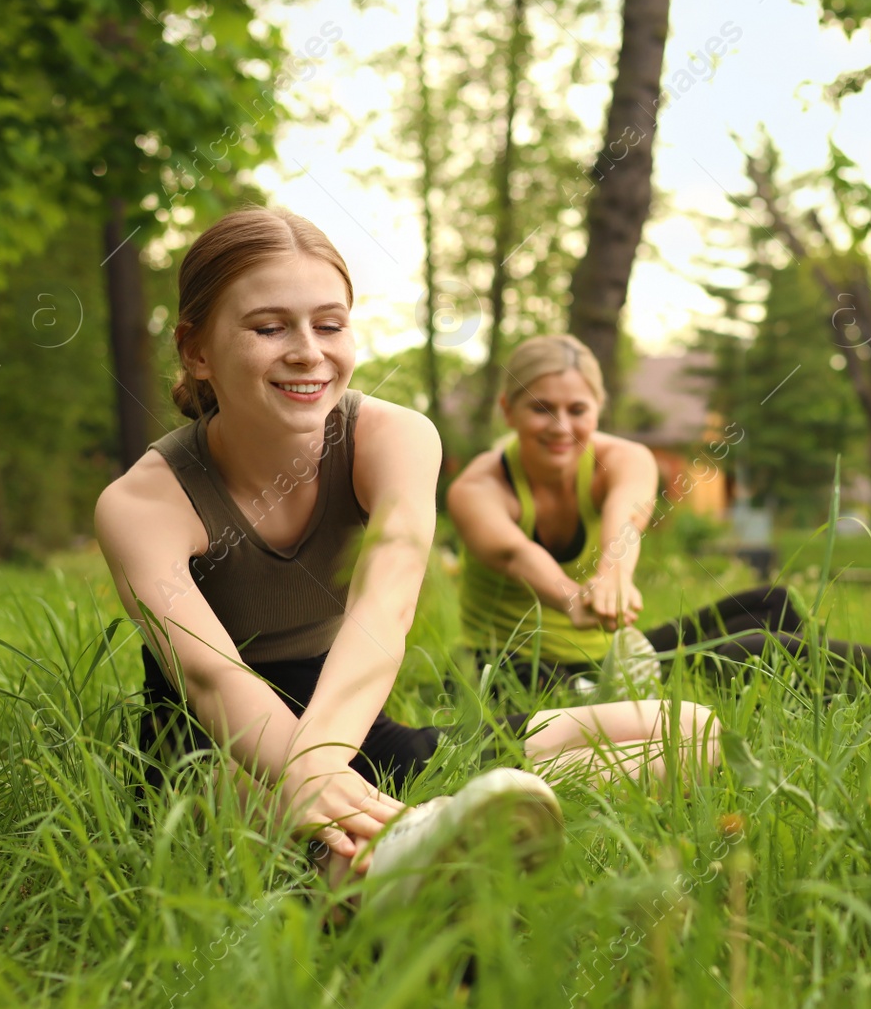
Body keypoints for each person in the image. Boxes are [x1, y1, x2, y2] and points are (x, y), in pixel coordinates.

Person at [94, 208, 720, 886]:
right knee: (321, 842)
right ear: (197, 350)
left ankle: (429, 825)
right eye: (269, 327)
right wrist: (311, 781)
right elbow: (211, 675)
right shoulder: (141, 504)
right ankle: (394, 847)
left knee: (693, 731)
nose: (308, 350)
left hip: (356, 725)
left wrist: (326, 772)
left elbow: (385, 609)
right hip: (216, 754)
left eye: (329, 324)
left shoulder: (393, 437)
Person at [447, 335, 871, 695]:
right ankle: (610, 695)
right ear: (508, 409)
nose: (561, 426)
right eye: (541, 408)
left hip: (609, 661)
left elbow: (628, 517)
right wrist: (573, 599)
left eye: (577, 410)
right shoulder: (477, 488)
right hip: (512, 669)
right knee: (744, 651)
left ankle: (850, 693)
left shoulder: (625, 458)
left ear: (598, 408)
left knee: (775, 604)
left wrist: (613, 576)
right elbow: (514, 555)